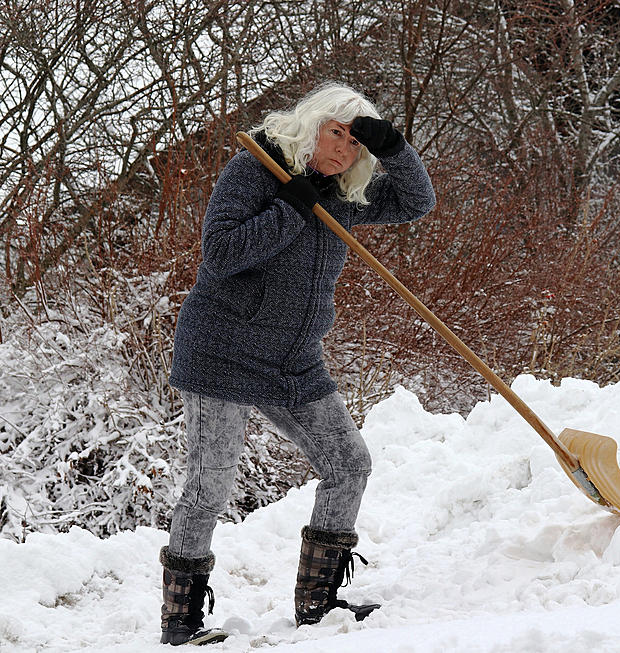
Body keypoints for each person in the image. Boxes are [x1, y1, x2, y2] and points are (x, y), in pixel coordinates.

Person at [158, 82, 436, 646]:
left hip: (293, 360)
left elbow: (416, 202)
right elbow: (223, 253)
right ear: (311, 125)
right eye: (337, 133)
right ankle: (180, 622)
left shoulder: (342, 195)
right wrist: (290, 207)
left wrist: (394, 149)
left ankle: (319, 602)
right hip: (221, 351)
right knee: (211, 481)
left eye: (356, 144)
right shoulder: (253, 170)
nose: (344, 150)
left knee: (349, 464)